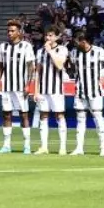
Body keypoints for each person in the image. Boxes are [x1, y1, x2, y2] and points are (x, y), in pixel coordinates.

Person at [69, 32, 104, 156]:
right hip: (80, 90)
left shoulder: (98, 51)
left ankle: (103, 148)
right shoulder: (74, 52)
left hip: (95, 91)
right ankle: (79, 148)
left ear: (84, 41)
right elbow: (72, 66)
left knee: (98, 118)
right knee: (80, 119)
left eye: (77, 41)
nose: (75, 43)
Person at [0, 21, 35, 154]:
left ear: (19, 32)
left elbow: (31, 67)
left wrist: (29, 85)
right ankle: (6, 145)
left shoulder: (26, 46)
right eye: (8, 31)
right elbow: (0, 66)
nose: (10, 33)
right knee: (6, 114)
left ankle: (27, 146)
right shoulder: (3, 46)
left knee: (23, 114)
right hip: (6, 87)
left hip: (20, 87)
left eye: (12, 31)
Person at [34, 27, 69, 155]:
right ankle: (44, 147)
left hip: (57, 89)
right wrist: (36, 91)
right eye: (46, 35)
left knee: (59, 115)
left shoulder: (62, 49)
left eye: (50, 35)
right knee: (43, 116)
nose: (48, 38)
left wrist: (50, 51)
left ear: (56, 37)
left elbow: (60, 65)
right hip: (43, 89)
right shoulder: (40, 52)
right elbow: (38, 71)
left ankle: (63, 147)